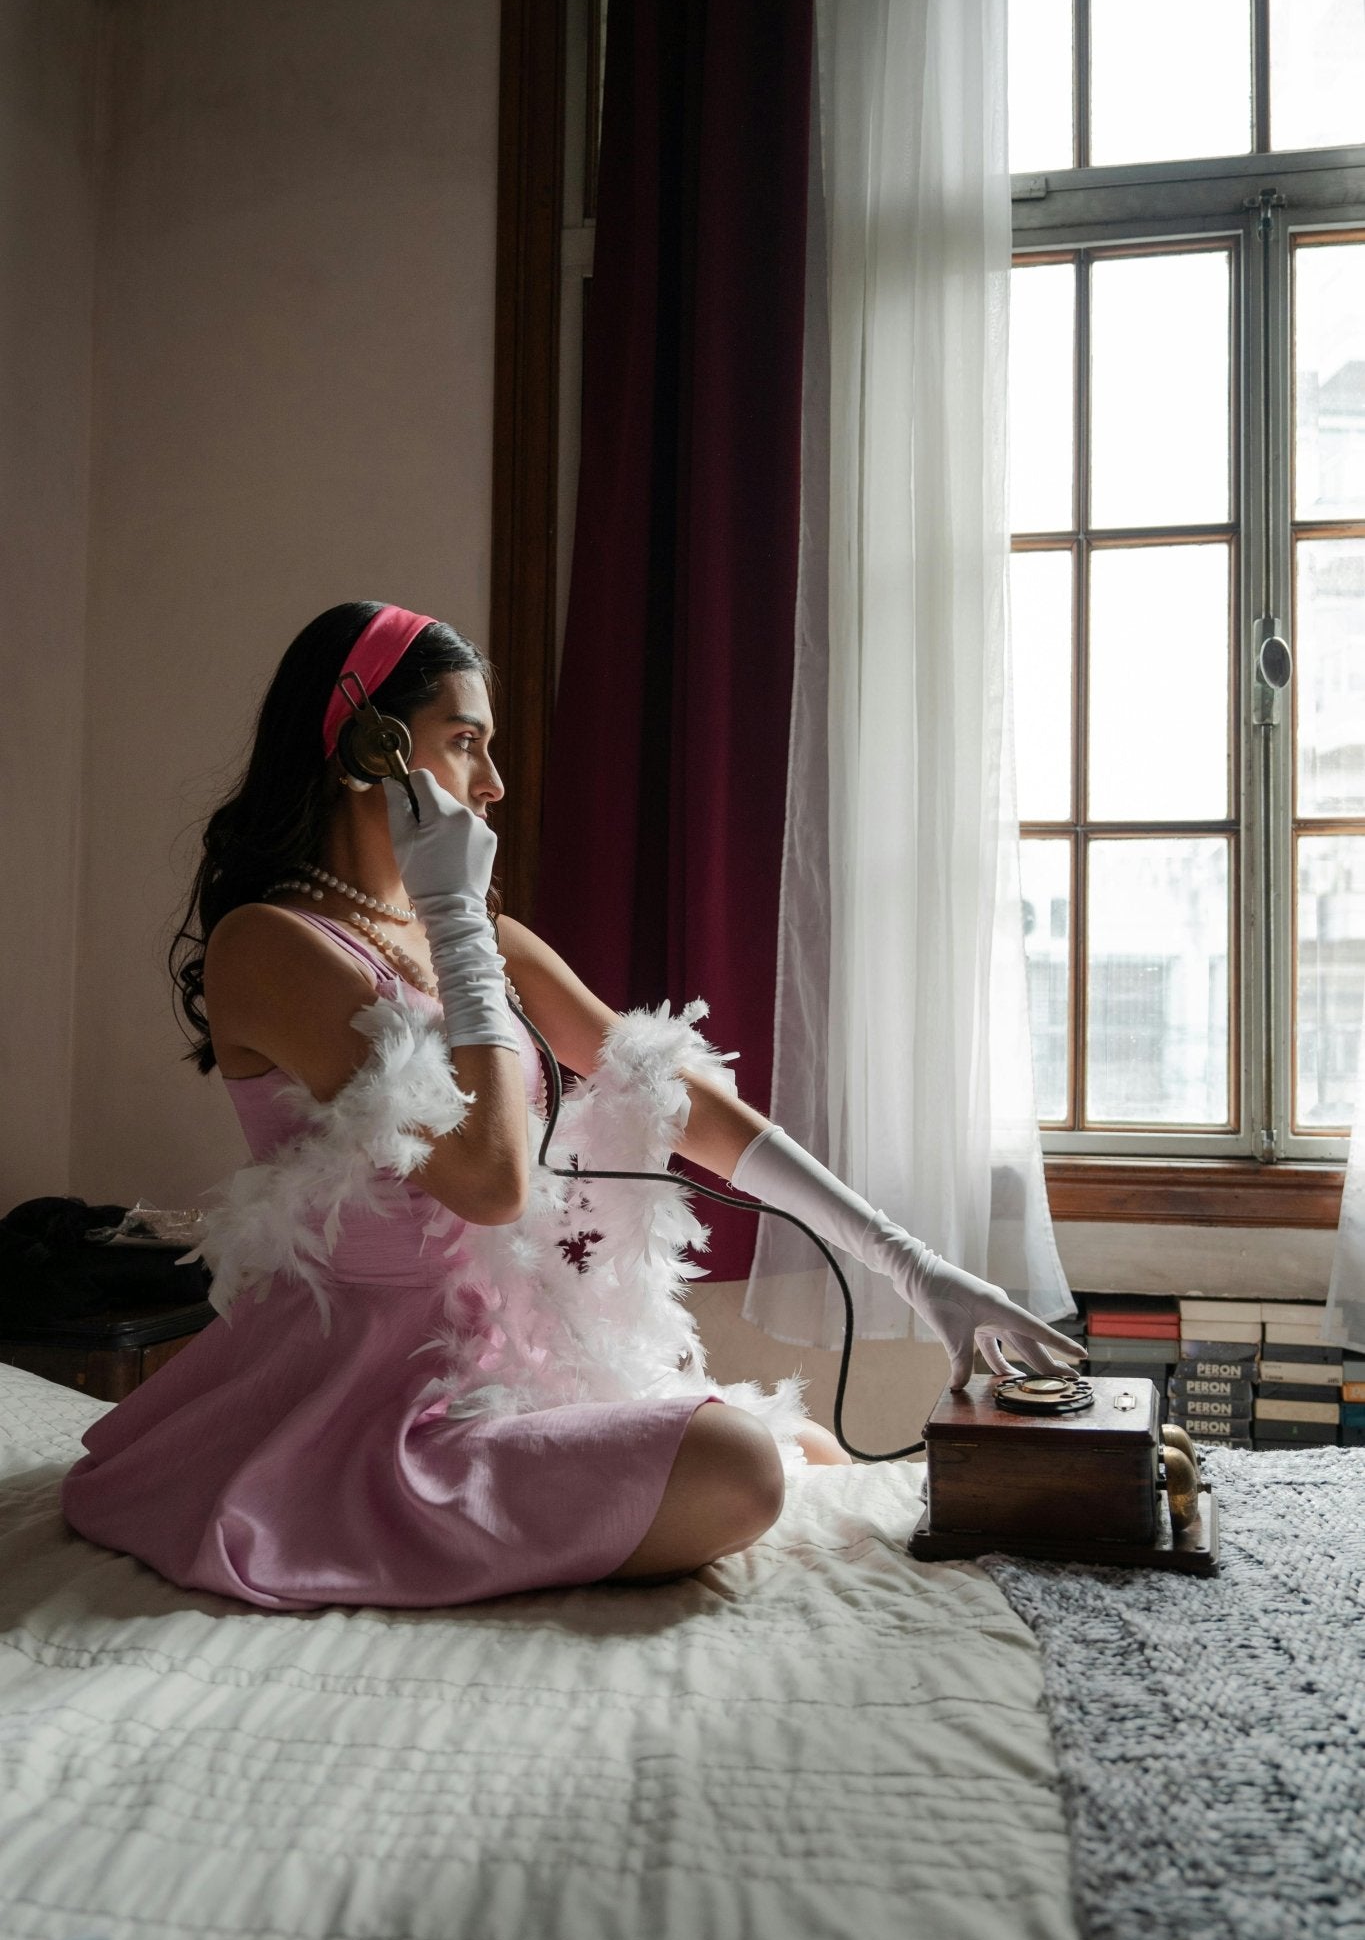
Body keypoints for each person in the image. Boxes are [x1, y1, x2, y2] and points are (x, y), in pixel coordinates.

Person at [60, 602, 1078, 1610]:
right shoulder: (272, 944)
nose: (493, 783)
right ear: (365, 747)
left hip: (500, 1364)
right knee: (742, 1465)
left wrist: (916, 1265)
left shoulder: (478, 940)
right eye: (464, 743)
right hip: (366, 1414)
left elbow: (664, 1082)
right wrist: (458, 915)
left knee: (800, 1444)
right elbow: (491, 1182)